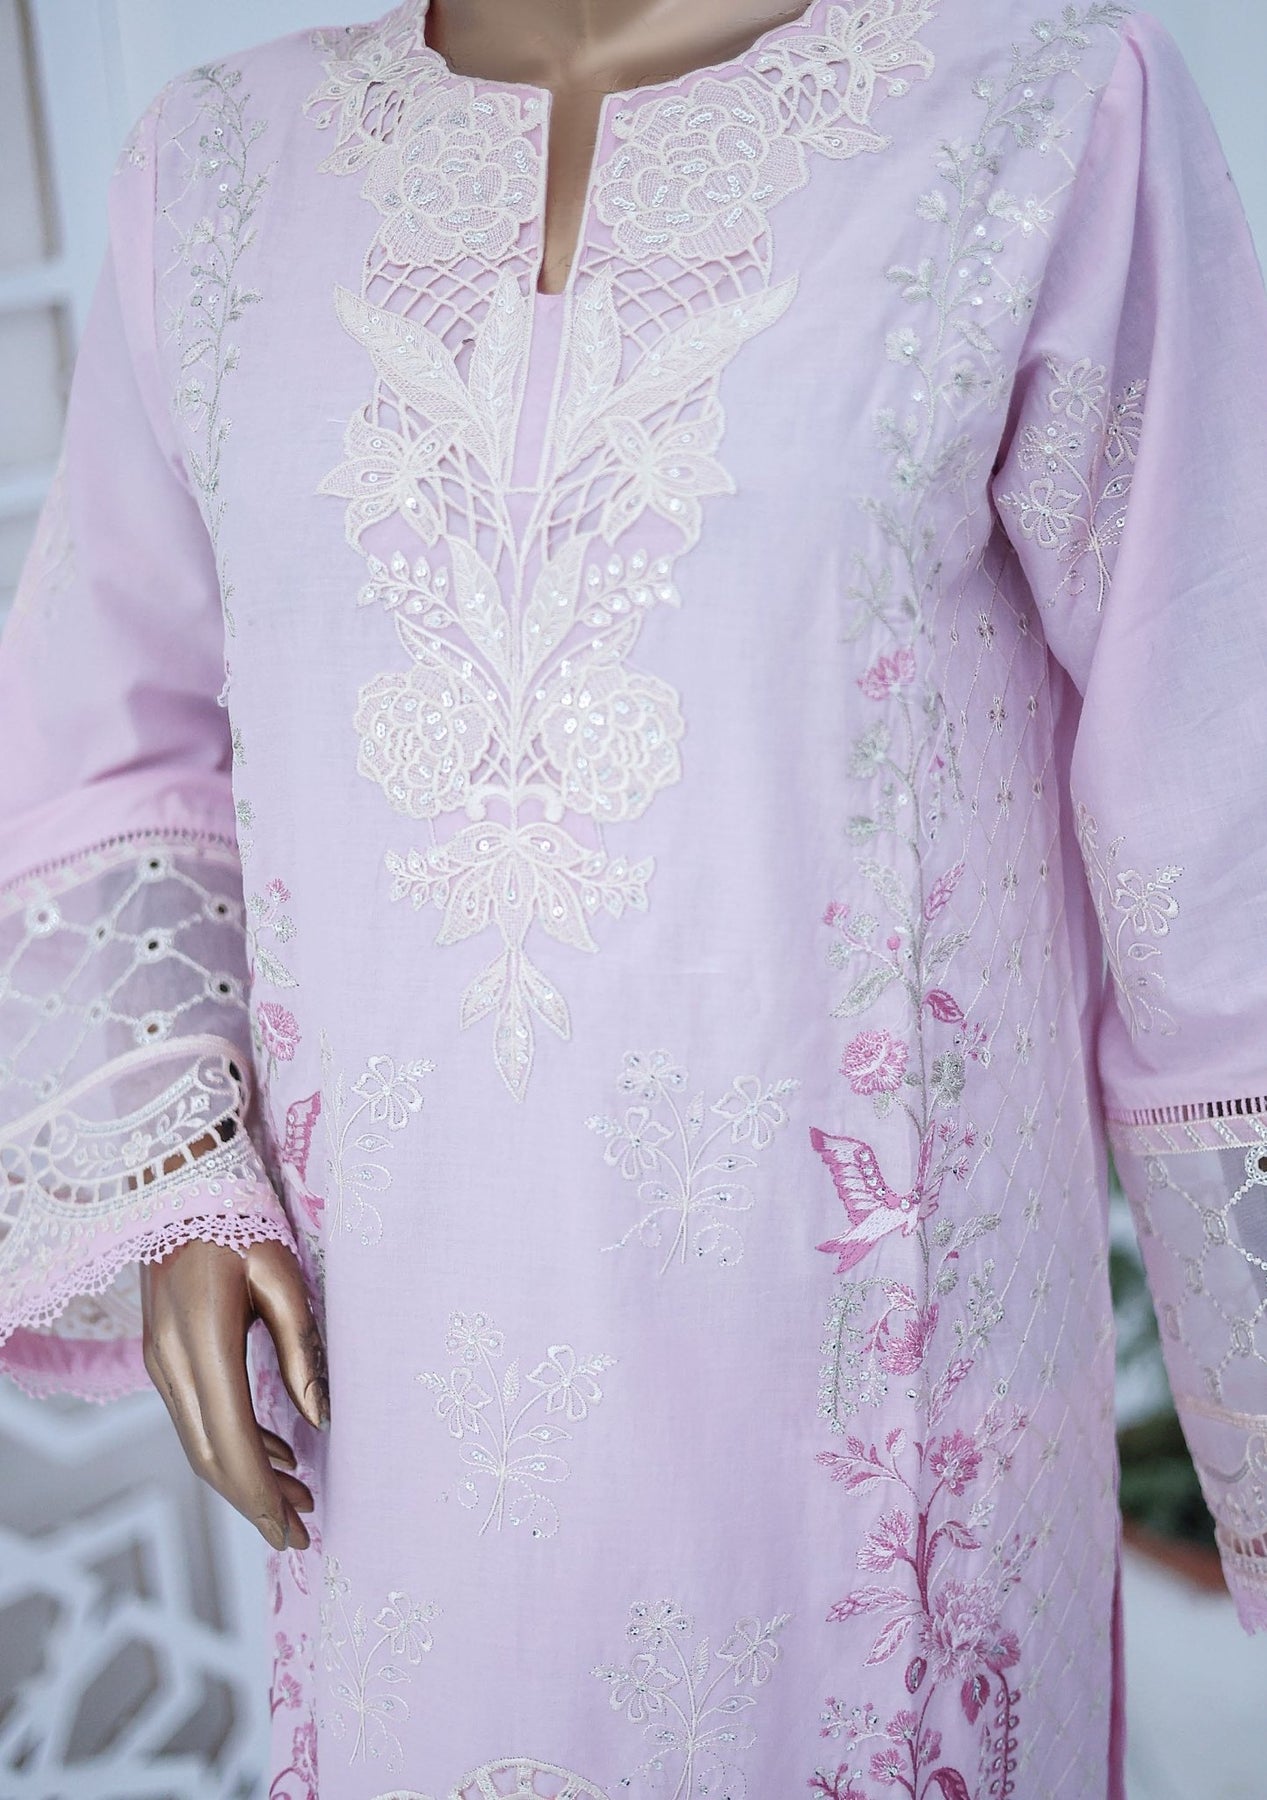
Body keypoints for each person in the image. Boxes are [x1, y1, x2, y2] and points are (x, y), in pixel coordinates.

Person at [2, 0, 1265, 1794]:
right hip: (399, 1430)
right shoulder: (213, 174)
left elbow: (1219, 814)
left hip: (874, 1436)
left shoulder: (1040, 114)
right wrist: (177, 1177)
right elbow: (110, 753)